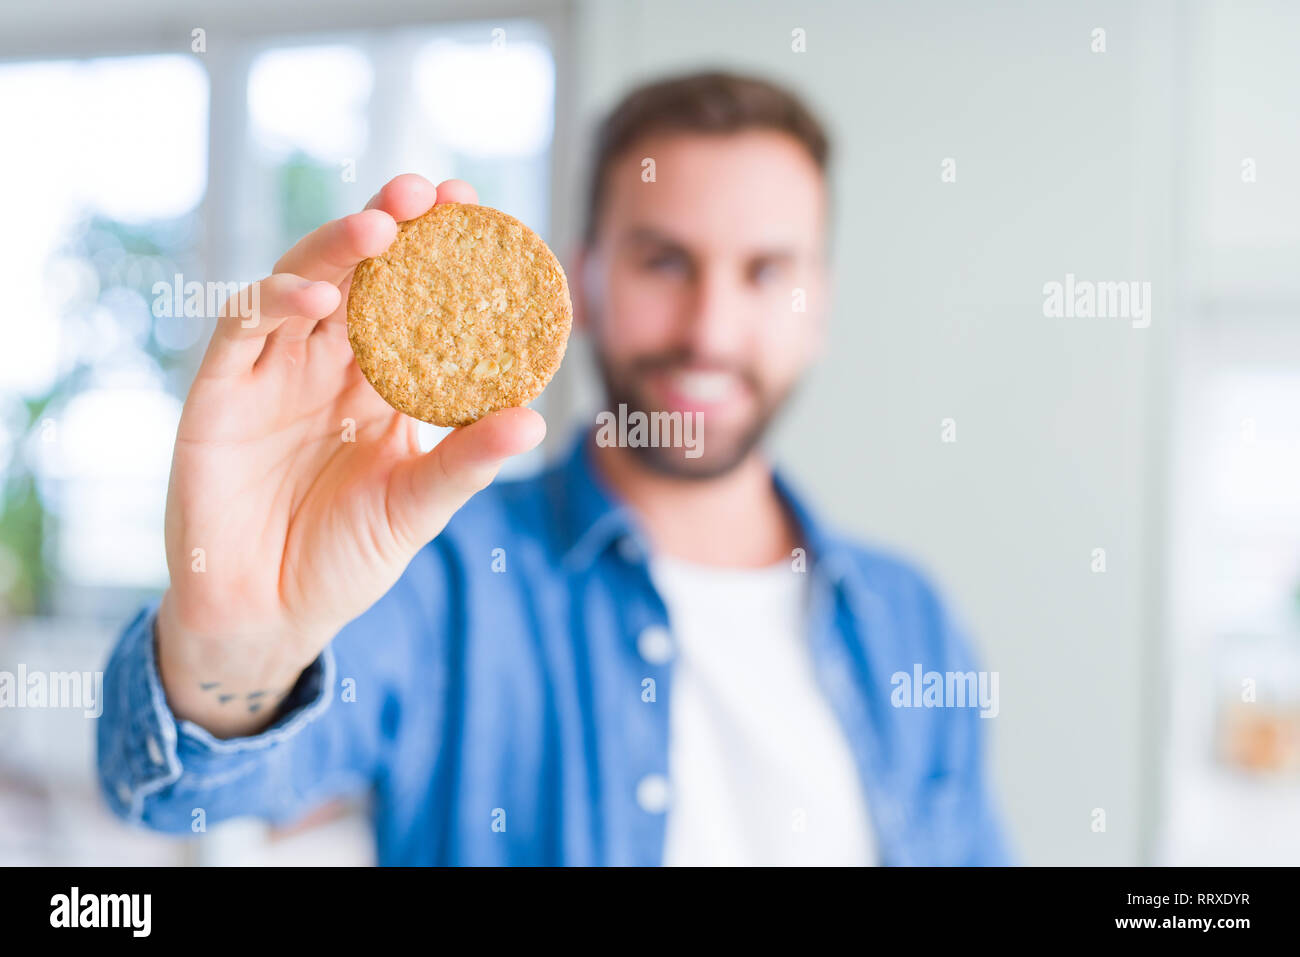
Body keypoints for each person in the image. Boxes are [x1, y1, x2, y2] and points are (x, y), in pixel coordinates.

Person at [97, 71, 1011, 866]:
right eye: (664, 261)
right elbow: (179, 794)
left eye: (766, 272)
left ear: (819, 306)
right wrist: (234, 651)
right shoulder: (434, 568)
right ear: (584, 280)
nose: (710, 330)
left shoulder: (909, 623)